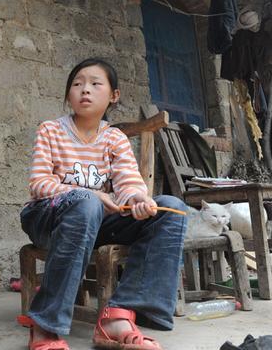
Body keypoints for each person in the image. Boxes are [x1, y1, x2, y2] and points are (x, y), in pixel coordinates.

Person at [20, 58, 187, 350]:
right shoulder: (50, 130)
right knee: (86, 202)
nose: (85, 90)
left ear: (113, 95)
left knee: (170, 210)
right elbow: (39, 185)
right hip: (46, 218)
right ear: (69, 94)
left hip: (94, 223)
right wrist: (90, 195)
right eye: (77, 84)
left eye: (95, 84)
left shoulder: (114, 138)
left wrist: (137, 199)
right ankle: (45, 326)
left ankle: (118, 315)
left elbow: (128, 182)